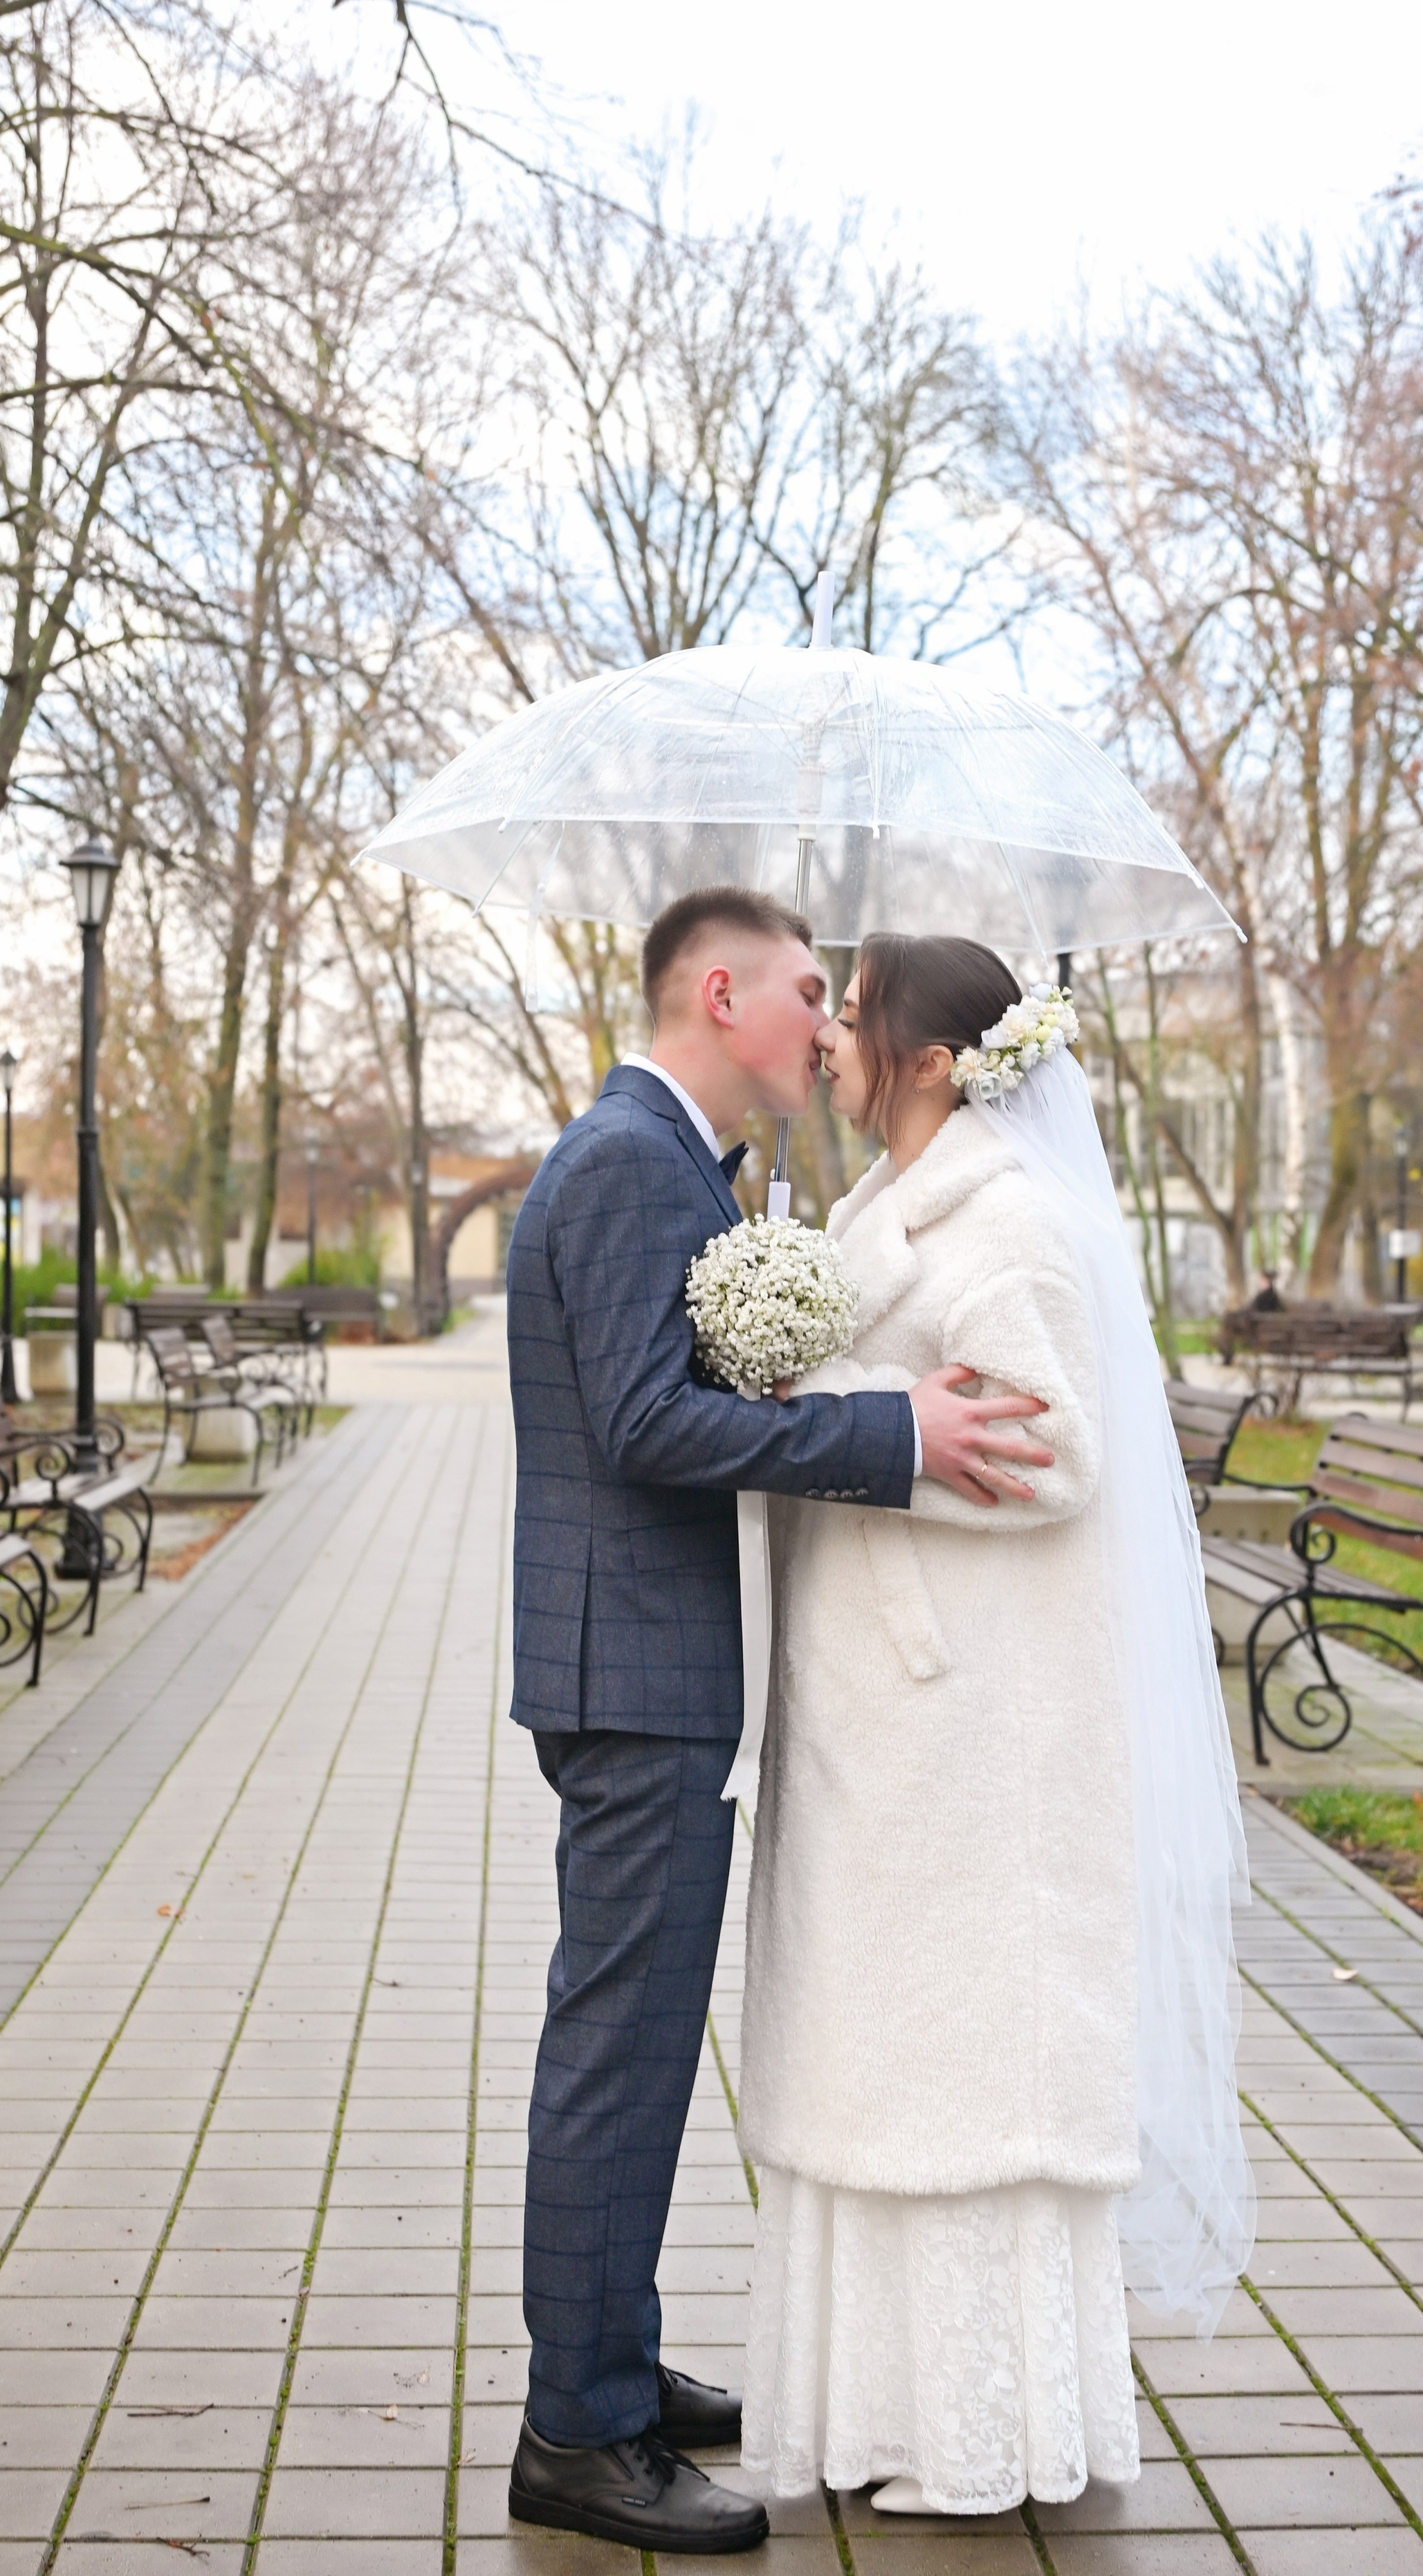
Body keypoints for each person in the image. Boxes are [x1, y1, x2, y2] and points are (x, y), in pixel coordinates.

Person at [504, 889, 1055, 2555]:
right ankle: (576, 2436)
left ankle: (610, 2364)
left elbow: (666, 1402)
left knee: (641, 2046)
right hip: (630, 1681)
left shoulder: (674, 1160)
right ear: (718, 988)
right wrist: (888, 1431)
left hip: (648, 1674)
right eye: (808, 988)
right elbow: (643, 1424)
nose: (825, 1022)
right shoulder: (621, 1160)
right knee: (616, 2053)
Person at [738, 935, 1254, 2518]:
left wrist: (849, 1422)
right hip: (882, 1731)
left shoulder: (1009, 1226)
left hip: (969, 1729)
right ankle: (875, 2412)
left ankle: (984, 2432)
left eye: (854, 1010)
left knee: (961, 2081)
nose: (824, 1032)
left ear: (937, 1059)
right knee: (873, 2066)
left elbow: (1050, 1460)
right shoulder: (861, 1213)